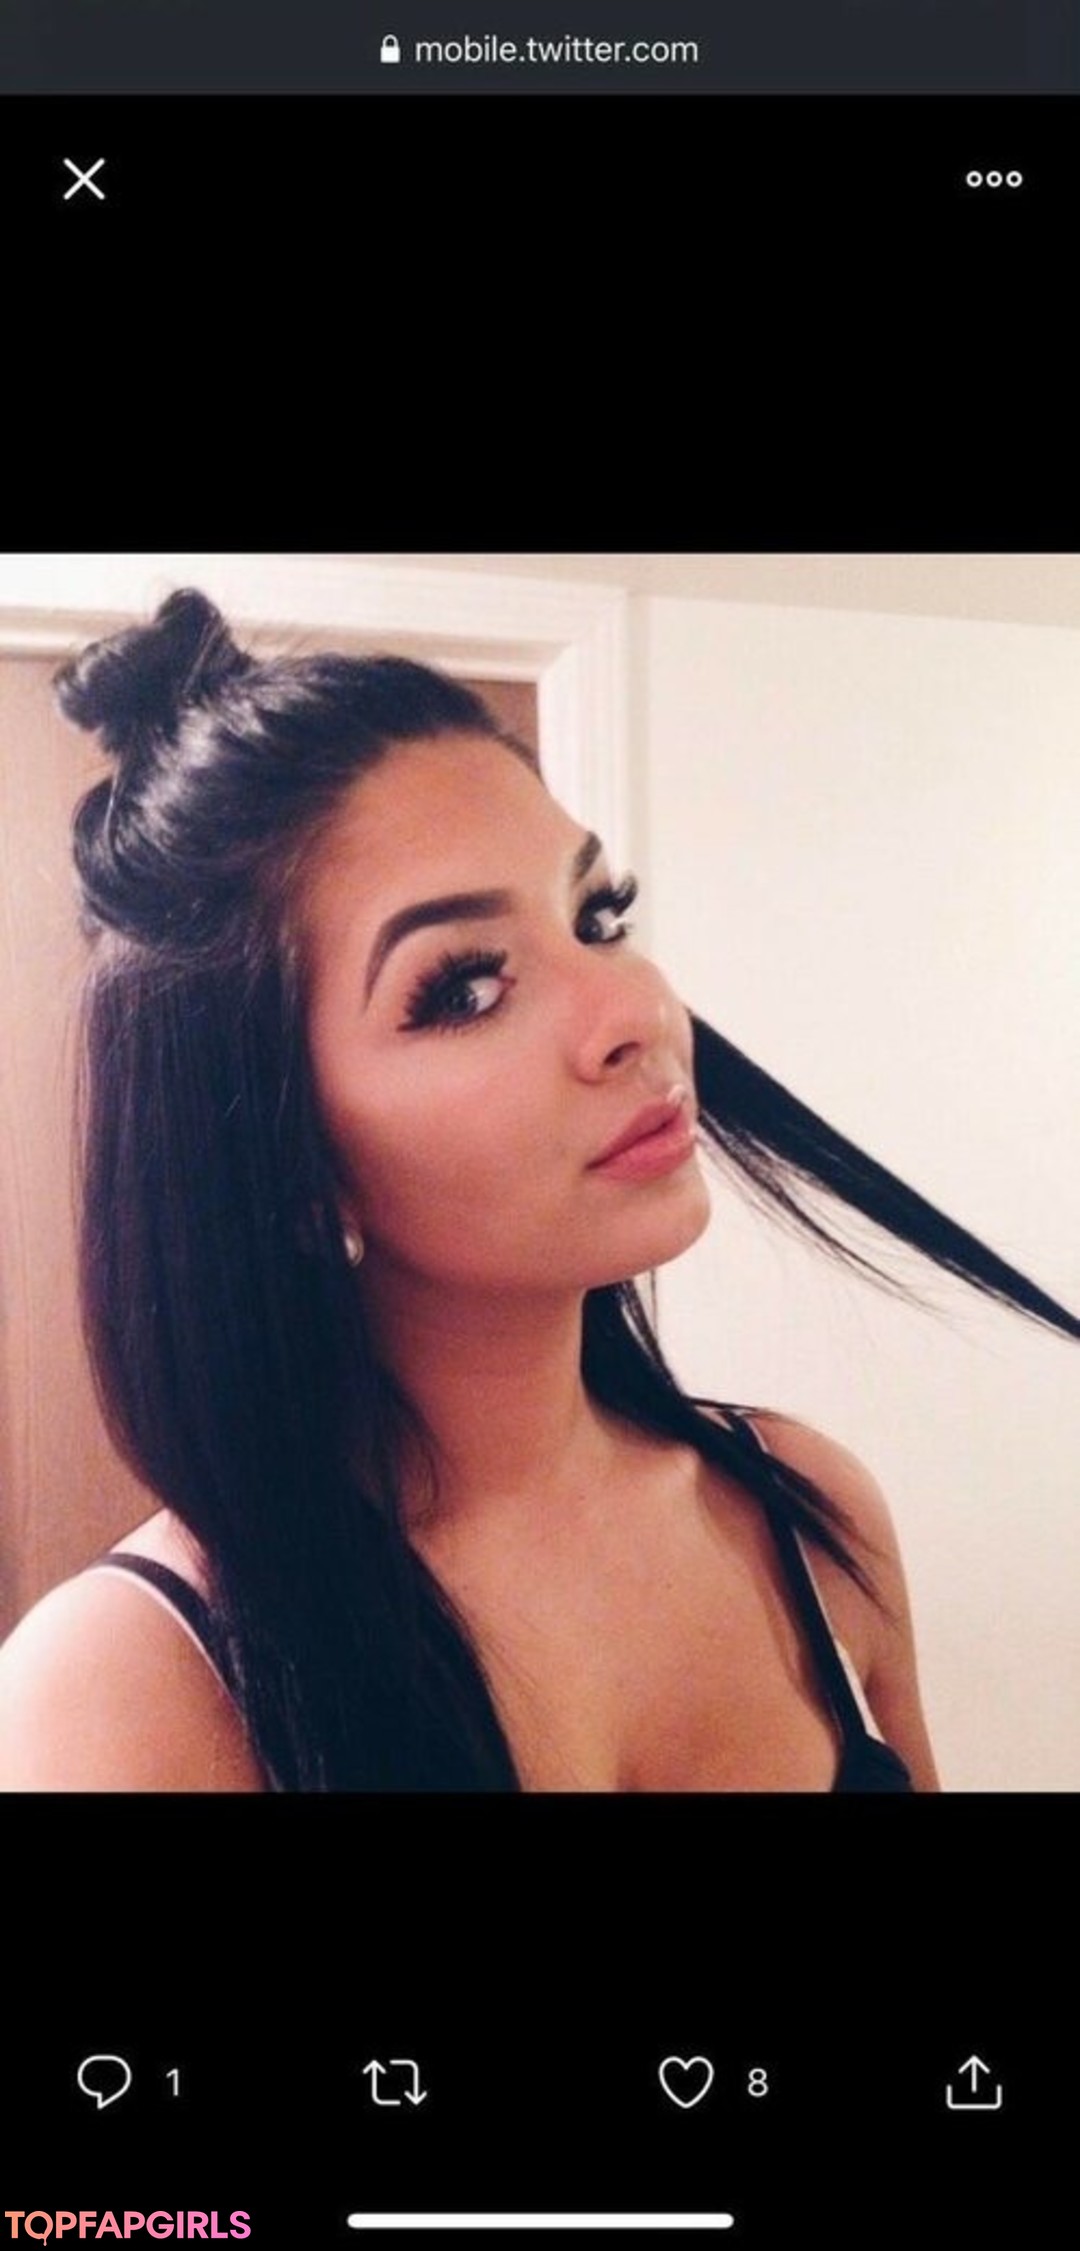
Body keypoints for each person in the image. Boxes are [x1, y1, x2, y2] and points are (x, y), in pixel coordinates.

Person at [0, 590, 1075, 1794]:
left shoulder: (807, 1510)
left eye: (597, 916)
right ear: (289, 1163)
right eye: (464, 988)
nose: (636, 1011)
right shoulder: (122, 1687)